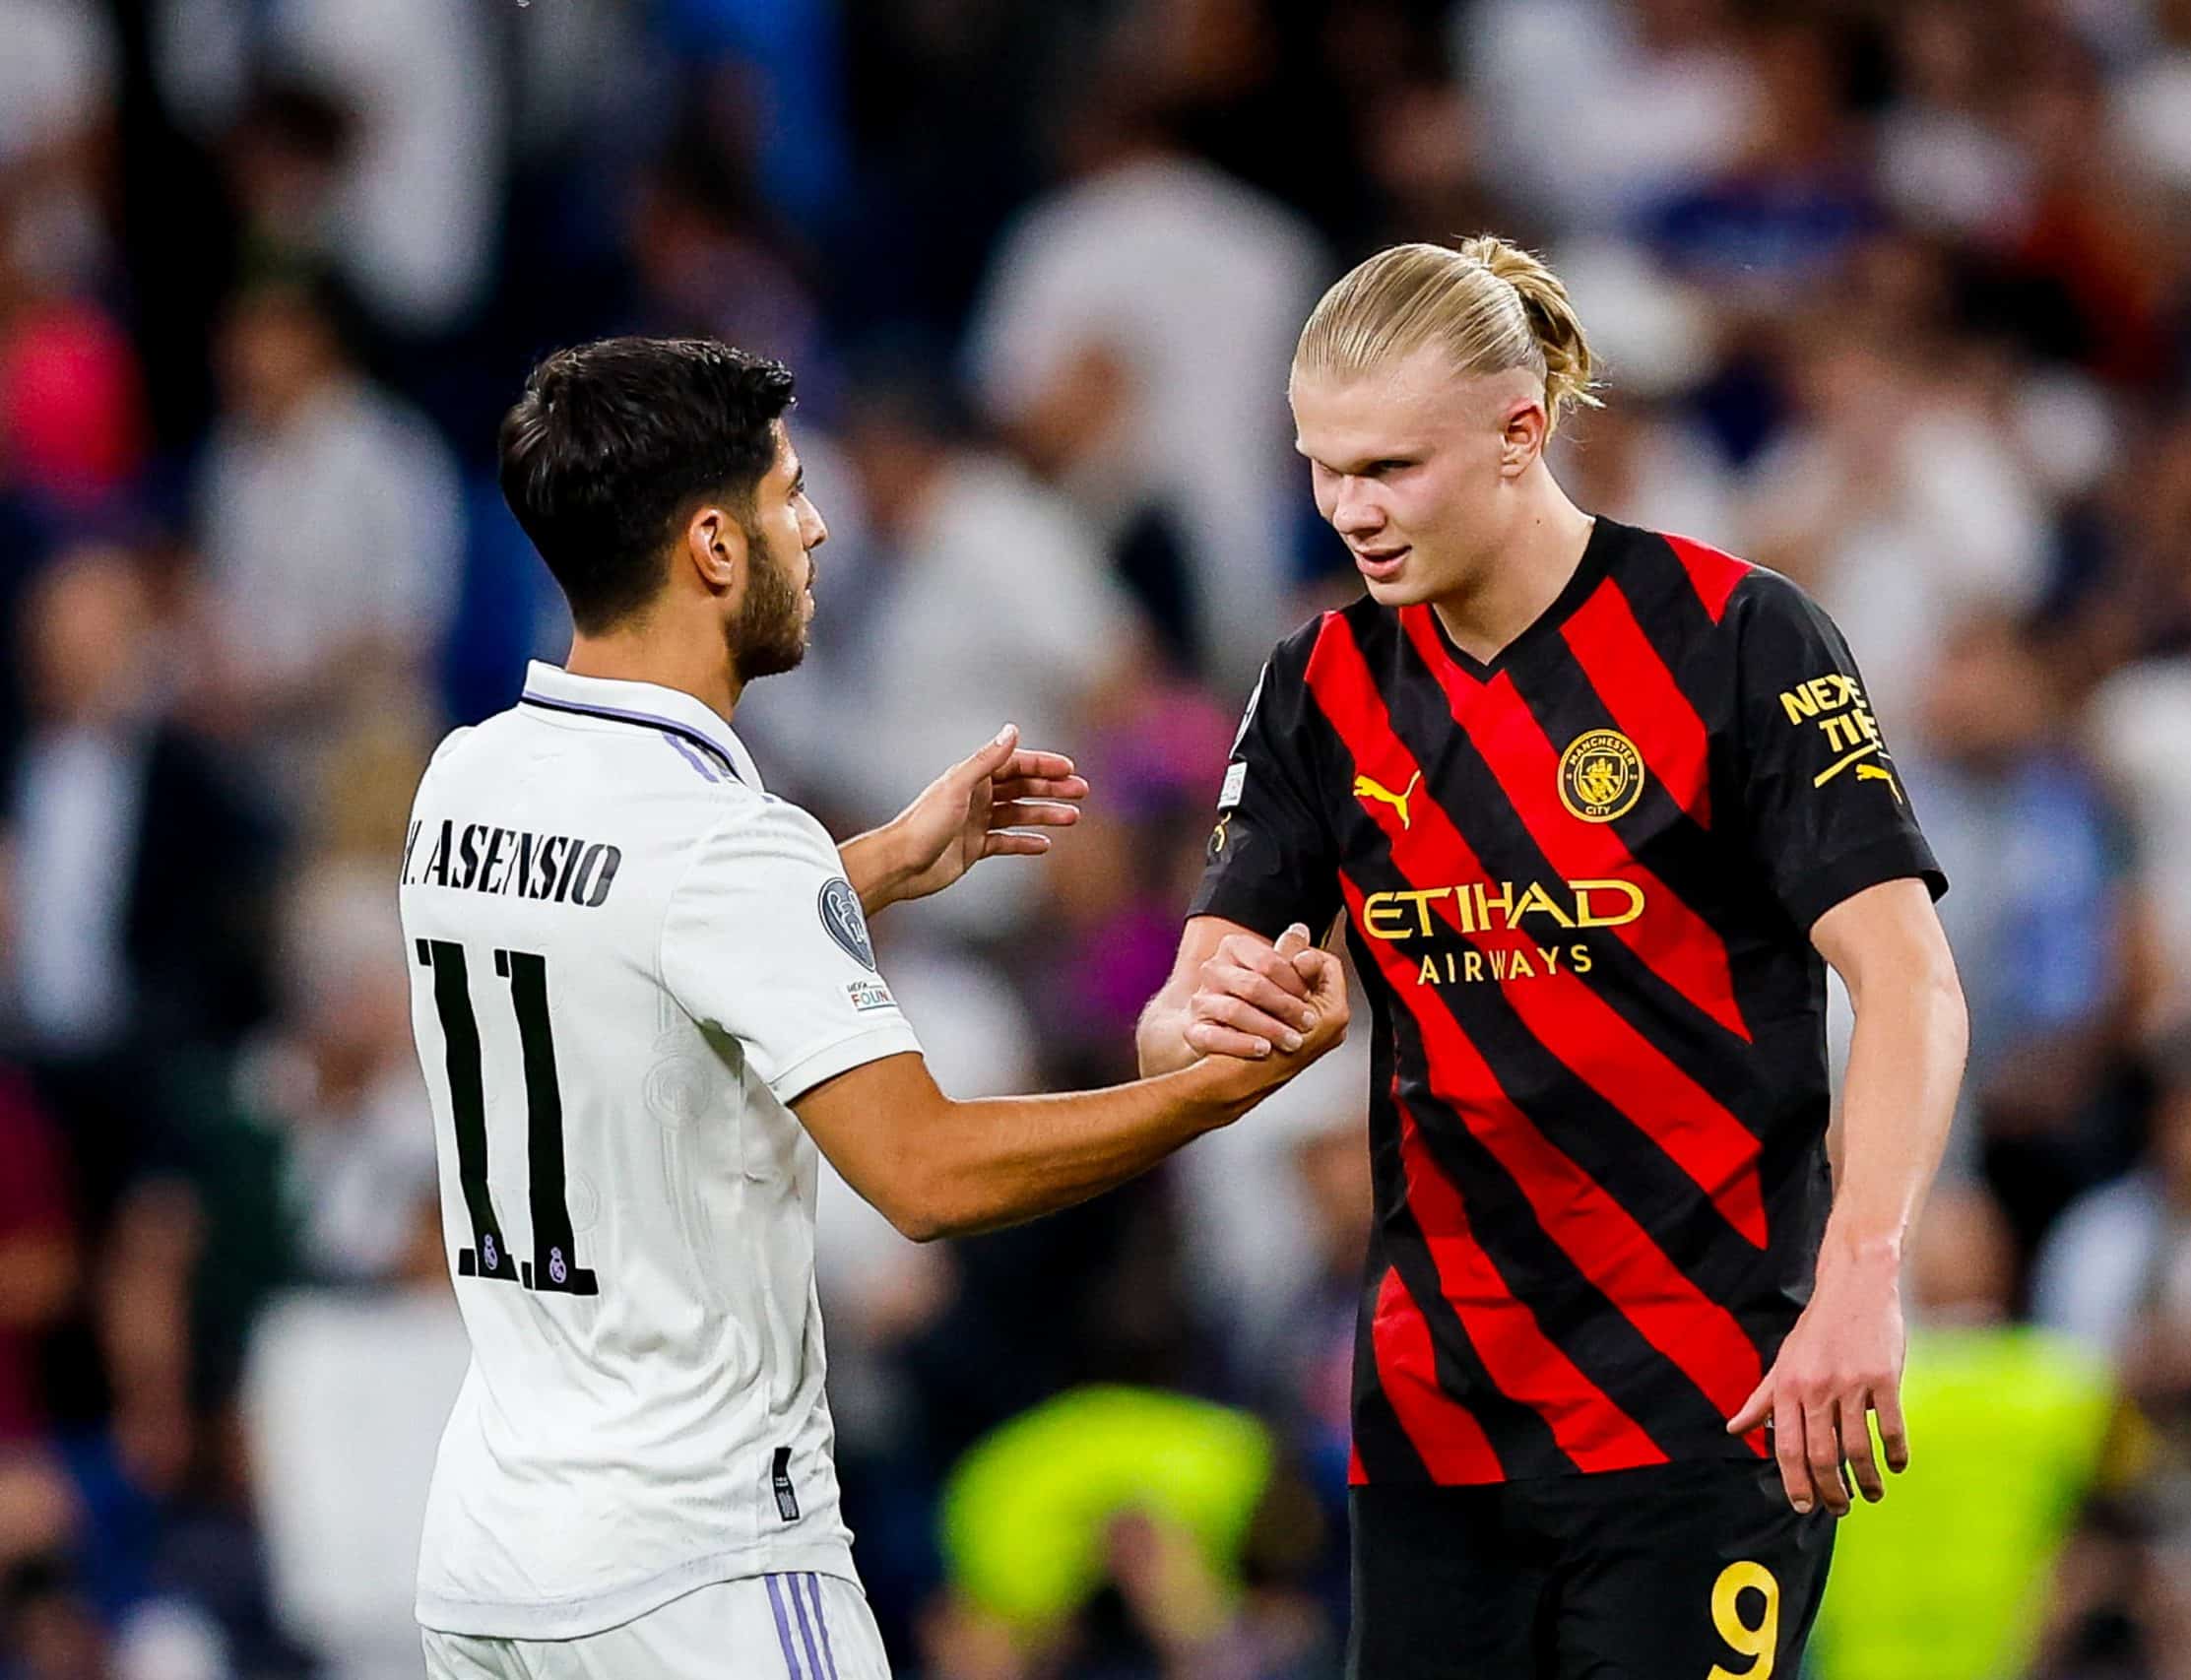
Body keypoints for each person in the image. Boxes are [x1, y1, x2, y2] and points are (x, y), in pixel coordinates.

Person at [405, 337, 1347, 1680]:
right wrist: (1213, 1090)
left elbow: (626, 943)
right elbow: (925, 1172)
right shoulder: (730, 845)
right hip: (698, 1566)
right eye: (790, 493)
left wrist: (869, 869)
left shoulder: (466, 781)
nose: (820, 523)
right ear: (716, 547)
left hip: (491, 1555)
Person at [1136, 238, 1968, 1679]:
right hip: (1434, 1419)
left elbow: (1908, 980)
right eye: (1323, 468)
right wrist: (1227, 1012)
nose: (1350, 512)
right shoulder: (1320, 686)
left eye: (1390, 467)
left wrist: (1863, 1274)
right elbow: (1175, 1024)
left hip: (1708, 1401)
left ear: (1523, 431)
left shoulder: (1738, 637)